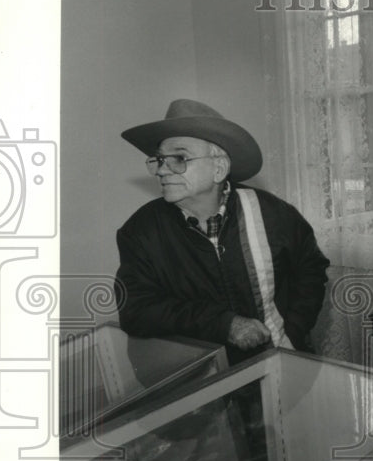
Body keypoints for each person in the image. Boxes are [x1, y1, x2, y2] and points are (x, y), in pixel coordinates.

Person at [116, 98, 330, 365]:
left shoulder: (273, 214)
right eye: (159, 160)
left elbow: (311, 271)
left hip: (281, 363)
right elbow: (135, 310)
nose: (161, 170)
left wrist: (294, 334)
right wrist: (223, 324)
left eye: (179, 158)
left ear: (219, 167)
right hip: (198, 382)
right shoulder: (141, 230)